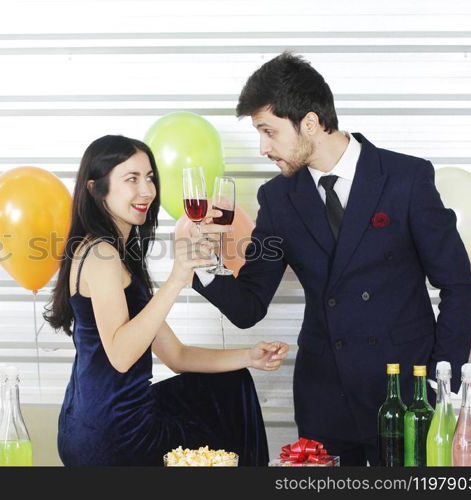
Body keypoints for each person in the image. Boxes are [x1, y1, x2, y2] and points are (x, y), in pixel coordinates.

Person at [189, 51, 471, 466]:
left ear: (310, 122)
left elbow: (457, 286)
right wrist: (204, 264)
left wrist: (438, 381)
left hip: (405, 394)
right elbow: (250, 304)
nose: (262, 148)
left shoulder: (406, 178)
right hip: (325, 399)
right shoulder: (278, 198)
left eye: (269, 132)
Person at [44, 134, 289, 466]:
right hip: (112, 433)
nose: (147, 190)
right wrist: (177, 278)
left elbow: (176, 355)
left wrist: (249, 357)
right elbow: (121, 355)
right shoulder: (101, 254)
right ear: (95, 189)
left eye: (149, 177)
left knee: (233, 383)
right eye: (131, 179)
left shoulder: (116, 254)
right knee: (227, 409)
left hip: (98, 419)